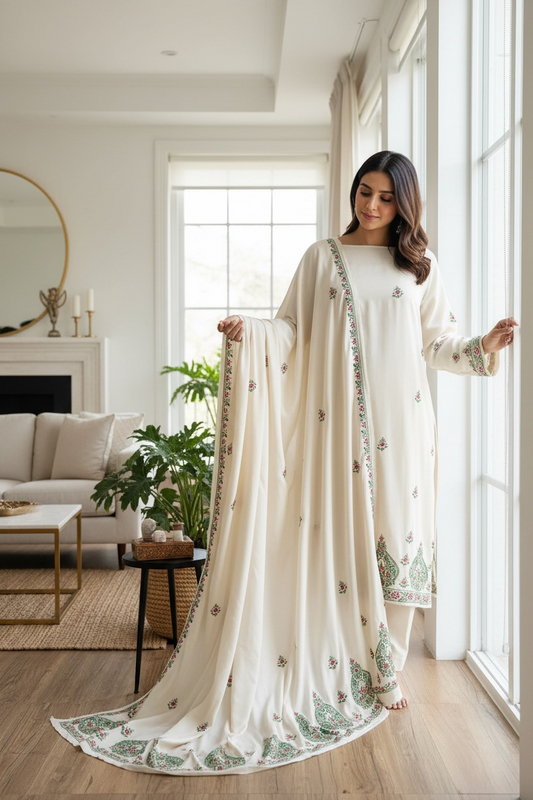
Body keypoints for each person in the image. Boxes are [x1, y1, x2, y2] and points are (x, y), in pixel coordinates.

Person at [51, 151, 516, 773]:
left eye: (384, 197)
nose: (371, 206)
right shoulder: (322, 259)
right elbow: (292, 331)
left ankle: (387, 670)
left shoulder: (419, 269)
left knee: (399, 545)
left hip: (404, 428)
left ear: (404, 204)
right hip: (338, 437)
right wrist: (252, 332)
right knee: (342, 549)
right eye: (364, 192)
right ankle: (347, 662)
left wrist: (481, 346)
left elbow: (438, 345)